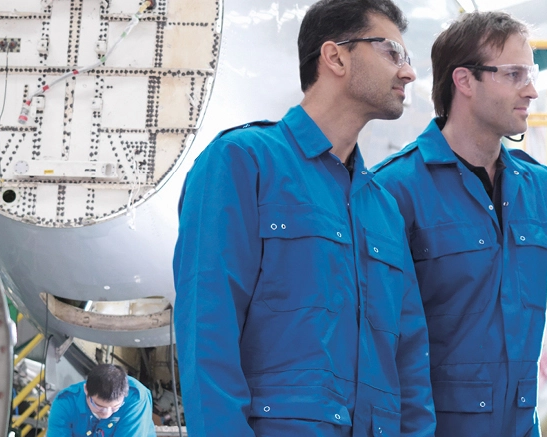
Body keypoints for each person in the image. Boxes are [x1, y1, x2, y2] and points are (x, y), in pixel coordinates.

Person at [172, 0, 432, 435]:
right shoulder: (243, 162)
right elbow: (207, 332)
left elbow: (410, 361)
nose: (407, 72)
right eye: (392, 52)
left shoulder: (382, 207)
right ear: (335, 56)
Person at [369, 11, 547, 437]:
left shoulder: (538, 187)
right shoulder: (395, 190)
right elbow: (374, 342)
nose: (532, 90)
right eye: (515, 74)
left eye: (530, 74)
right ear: (464, 81)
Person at [47, 363, 156, 437]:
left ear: (125, 395)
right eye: (99, 406)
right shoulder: (65, 403)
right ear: (86, 390)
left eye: (115, 407)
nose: (107, 413)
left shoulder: (136, 398)